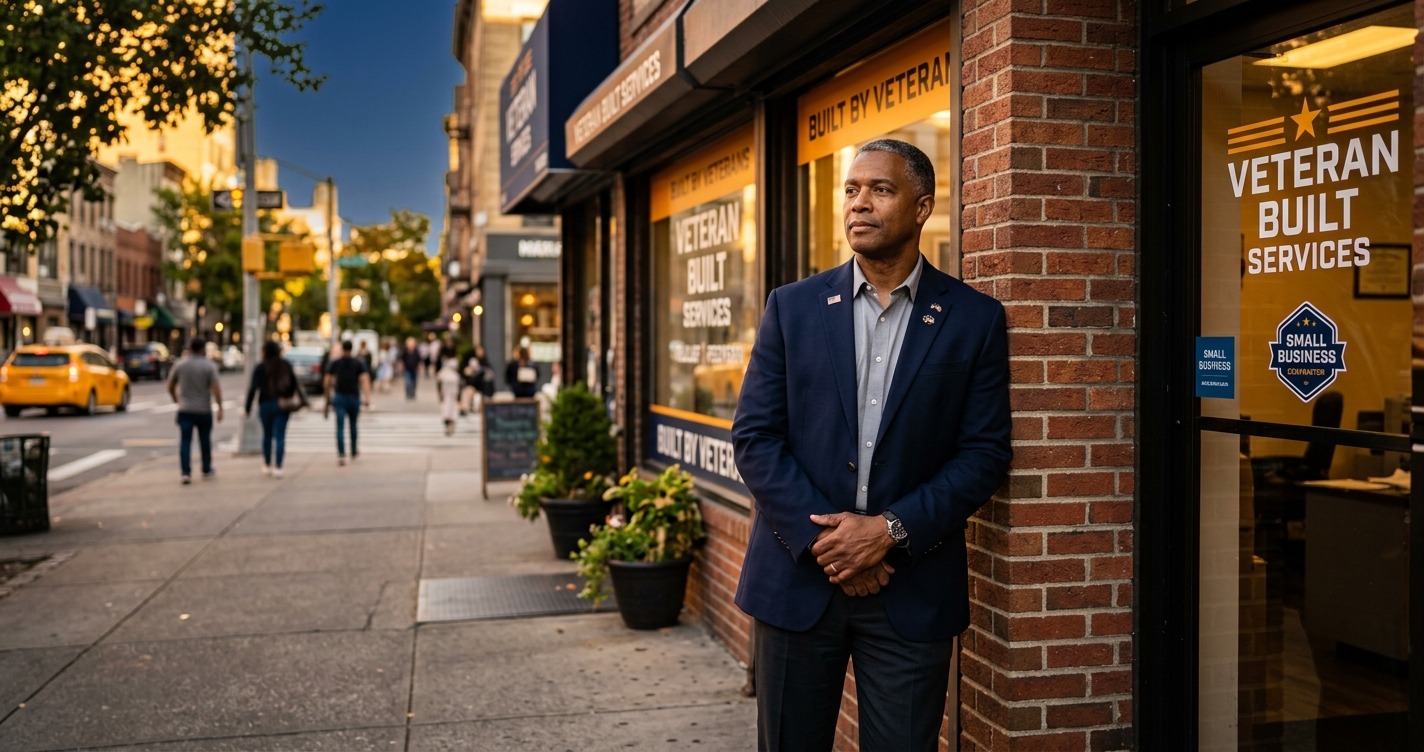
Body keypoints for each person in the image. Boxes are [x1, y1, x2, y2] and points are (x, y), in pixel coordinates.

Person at [730, 139, 1011, 751]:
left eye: (880, 190)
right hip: (798, 582)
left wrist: (887, 532)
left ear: (922, 207)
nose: (859, 203)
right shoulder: (793, 308)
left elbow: (984, 453)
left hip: (909, 591)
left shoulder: (973, 319)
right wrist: (831, 545)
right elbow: (755, 437)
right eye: (852, 190)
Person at [167, 337, 224, 485]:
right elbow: (216, 388)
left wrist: (176, 400)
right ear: (203, 349)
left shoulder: (180, 365)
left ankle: (185, 472)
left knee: (185, 441)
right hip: (204, 410)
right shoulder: (209, 366)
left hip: (185, 409)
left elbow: (170, 386)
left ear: (190, 348)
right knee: (205, 440)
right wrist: (219, 407)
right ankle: (206, 467)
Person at [245, 340, 305, 479]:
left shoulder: (260, 367)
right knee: (280, 436)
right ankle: (279, 466)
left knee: (267, 435)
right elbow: (294, 384)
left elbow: (253, 389)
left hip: (265, 404)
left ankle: (267, 464)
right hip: (283, 404)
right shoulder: (285, 365)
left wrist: (247, 408)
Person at [324, 340, 371, 465]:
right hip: (354, 397)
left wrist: (327, 398)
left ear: (342, 349)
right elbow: (365, 379)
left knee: (339, 426)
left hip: (340, 396)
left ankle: (341, 453)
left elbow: (327, 380)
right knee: (353, 425)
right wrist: (367, 399)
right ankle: (354, 450)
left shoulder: (336, 363)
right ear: (352, 349)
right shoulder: (358, 363)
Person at [437, 356, 461, 436]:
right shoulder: (444, 374)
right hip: (447, 395)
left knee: (451, 411)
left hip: (452, 396)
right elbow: (439, 384)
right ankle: (448, 426)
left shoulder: (455, 375)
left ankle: (451, 426)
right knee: (447, 411)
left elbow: (459, 387)